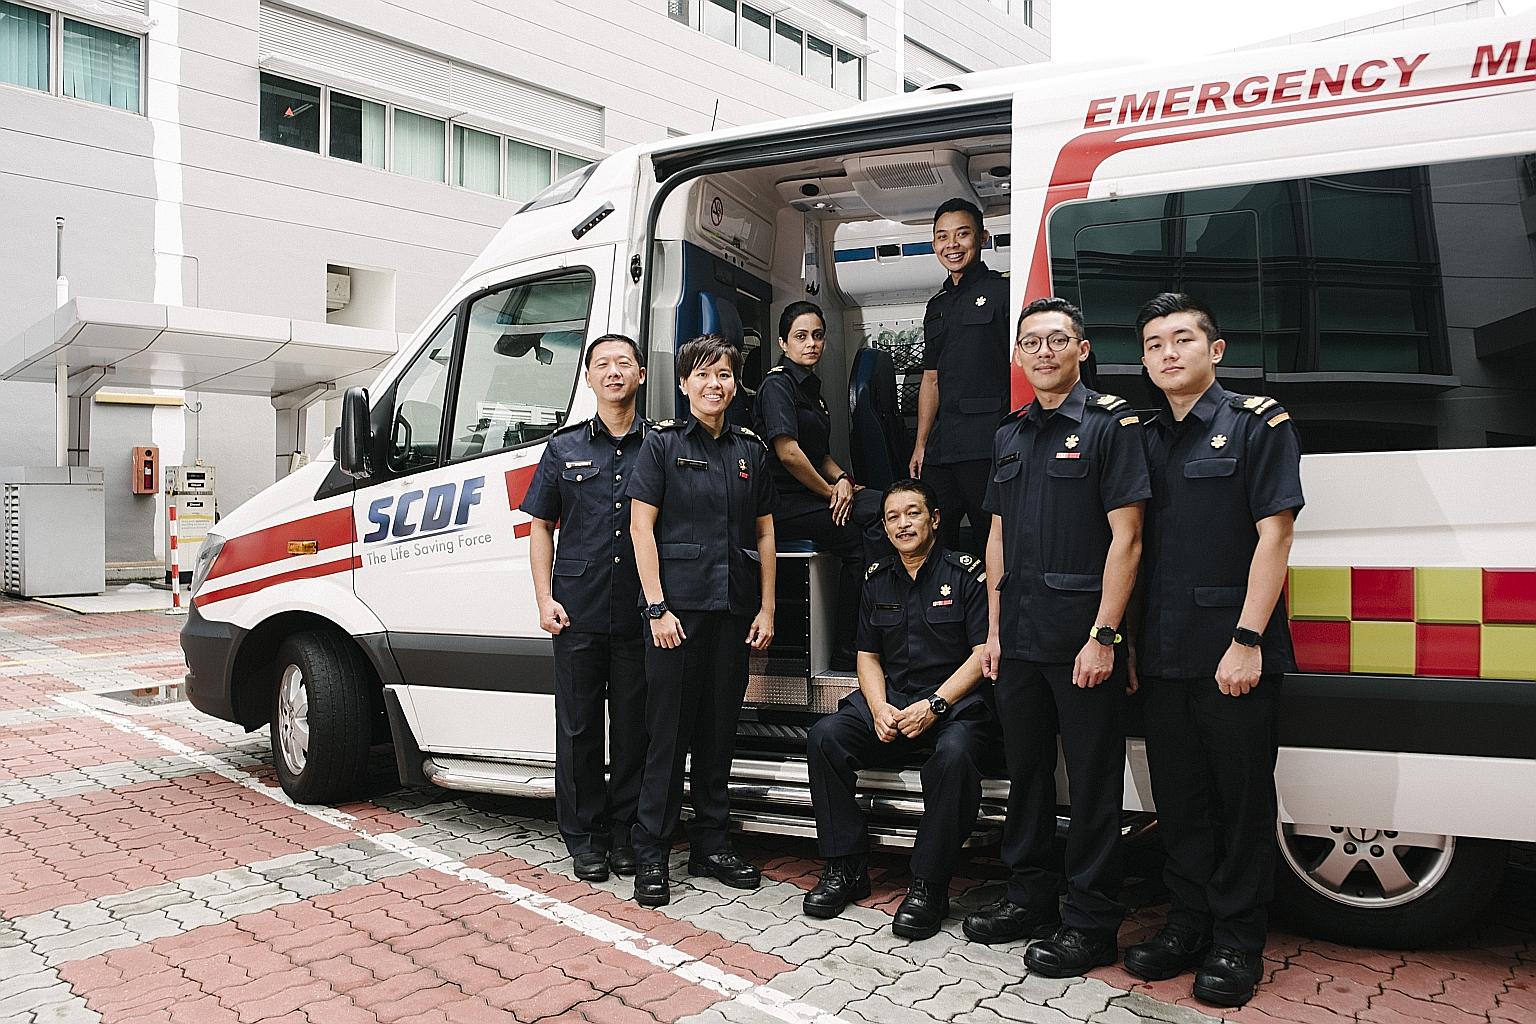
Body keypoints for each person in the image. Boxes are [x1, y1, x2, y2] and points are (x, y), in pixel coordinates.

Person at [961, 298, 1150, 977]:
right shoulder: (1009, 434)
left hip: (1082, 644)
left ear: (1082, 349)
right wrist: (992, 633)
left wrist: (1105, 635)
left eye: (1057, 339)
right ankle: (1029, 897)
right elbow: (998, 536)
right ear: (1018, 355)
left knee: (1094, 784)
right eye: (1031, 341)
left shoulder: (1109, 424)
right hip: (1018, 643)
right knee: (1029, 779)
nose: (1043, 351)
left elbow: (1128, 537)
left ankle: (1092, 923)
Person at [1128, 293, 1303, 1008]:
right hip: (1163, 656)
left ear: (1215, 350)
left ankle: (1237, 942)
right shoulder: (1140, 435)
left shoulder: (1257, 424)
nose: (1168, 353)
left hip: (1233, 655)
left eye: (1182, 340)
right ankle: (1188, 923)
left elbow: (1277, 536)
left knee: (1239, 803)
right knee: (1181, 800)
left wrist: (1247, 639)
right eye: (1154, 344)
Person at [803, 478, 996, 940]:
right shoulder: (876, 579)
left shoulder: (965, 574)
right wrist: (878, 707)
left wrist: (935, 704)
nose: (902, 524)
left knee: (953, 757)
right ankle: (845, 867)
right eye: (892, 517)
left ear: (935, 519)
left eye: (912, 513)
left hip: (954, 706)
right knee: (825, 737)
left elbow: (982, 653)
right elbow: (867, 656)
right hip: (896, 705)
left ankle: (929, 885)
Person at [626, 333, 777, 908]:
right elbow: (643, 528)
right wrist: (657, 606)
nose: (716, 385)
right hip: (676, 616)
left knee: (718, 735)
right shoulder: (661, 447)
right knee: (668, 736)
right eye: (704, 375)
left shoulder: (750, 450)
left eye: (726, 376)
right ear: (685, 383)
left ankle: (712, 845)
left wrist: (766, 607)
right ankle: (652, 854)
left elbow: (765, 532)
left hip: (733, 614)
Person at [521, 334, 650, 882]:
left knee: (632, 728)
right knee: (577, 729)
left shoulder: (659, 446)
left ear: (641, 375)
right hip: (576, 609)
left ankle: (625, 834)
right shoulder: (563, 448)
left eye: (624, 363)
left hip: (641, 612)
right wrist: (544, 598)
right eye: (603, 364)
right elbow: (540, 528)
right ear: (590, 378)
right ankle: (584, 838)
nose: (613, 372)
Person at [754, 300, 886, 671]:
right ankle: (852, 646)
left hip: (811, 495)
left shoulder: (812, 389)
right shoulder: (778, 386)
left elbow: (820, 454)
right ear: (783, 343)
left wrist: (843, 479)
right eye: (801, 336)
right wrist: (831, 494)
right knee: (867, 529)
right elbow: (790, 453)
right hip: (783, 504)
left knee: (886, 505)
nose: (810, 343)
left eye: (817, 336)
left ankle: (868, 636)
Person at [910, 197, 1012, 557]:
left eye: (962, 234)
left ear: (982, 238)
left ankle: (995, 613)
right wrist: (921, 443)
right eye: (942, 237)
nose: (951, 245)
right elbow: (931, 378)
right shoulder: (936, 306)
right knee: (934, 542)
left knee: (994, 538)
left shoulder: (1004, 294)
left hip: (987, 442)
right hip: (943, 447)